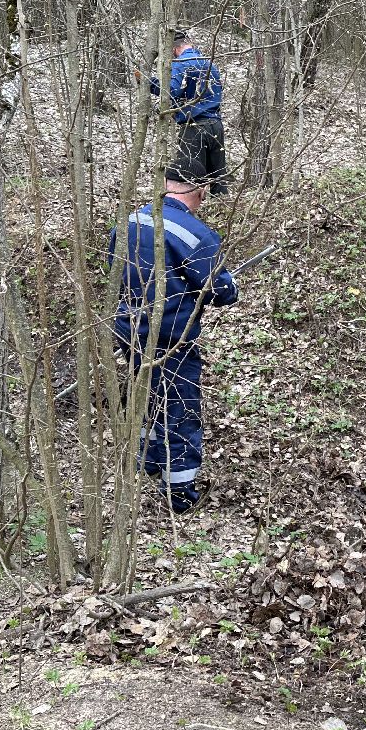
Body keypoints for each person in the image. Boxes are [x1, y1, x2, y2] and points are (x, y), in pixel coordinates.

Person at [110, 168, 238, 512]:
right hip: (170, 337)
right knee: (179, 407)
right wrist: (230, 283)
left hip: (129, 329)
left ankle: (147, 461)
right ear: (200, 190)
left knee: (146, 394)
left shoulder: (131, 220)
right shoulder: (195, 233)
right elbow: (219, 290)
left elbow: (115, 270)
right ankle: (178, 493)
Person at [148, 30, 228, 194]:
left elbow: (170, 91)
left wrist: (147, 81)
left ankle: (190, 215)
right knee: (218, 179)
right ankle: (223, 212)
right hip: (216, 126)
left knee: (188, 179)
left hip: (193, 128)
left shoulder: (180, 64)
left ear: (174, 49)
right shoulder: (210, 64)